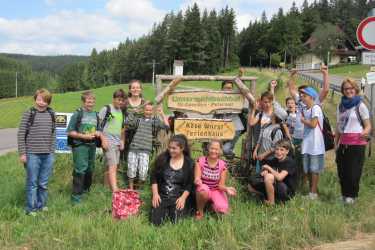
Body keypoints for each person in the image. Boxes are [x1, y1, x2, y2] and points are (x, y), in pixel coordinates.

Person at [17, 89, 56, 215]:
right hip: (32, 154)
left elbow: (53, 133)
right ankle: (31, 208)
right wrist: (22, 153)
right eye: (39, 99)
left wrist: (52, 152)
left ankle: (41, 205)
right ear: (35, 99)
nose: (41, 103)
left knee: (43, 183)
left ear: (48, 102)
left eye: (44, 100)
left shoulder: (51, 114)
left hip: (48, 155)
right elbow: (21, 134)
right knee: (32, 183)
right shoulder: (29, 113)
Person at [67, 91, 108, 204]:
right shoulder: (78, 114)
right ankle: (76, 198)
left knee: (90, 168)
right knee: (80, 169)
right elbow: (70, 132)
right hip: (80, 146)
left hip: (92, 146)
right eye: (88, 100)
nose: (91, 102)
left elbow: (99, 129)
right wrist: (83, 136)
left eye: (93, 100)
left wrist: (99, 133)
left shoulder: (96, 115)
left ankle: (86, 191)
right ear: (83, 101)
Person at [335, 78, 372, 204]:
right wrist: (336, 144)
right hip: (343, 143)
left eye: (351, 88)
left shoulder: (360, 105)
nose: (349, 91)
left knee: (353, 171)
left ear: (355, 89)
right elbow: (338, 126)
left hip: (357, 143)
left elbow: (368, 125)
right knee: (342, 171)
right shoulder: (341, 106)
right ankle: (344, 194)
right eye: (346, 89)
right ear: (343, 91)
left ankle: (352, 196)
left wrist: (364, 132)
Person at [150, 134, 194, 226]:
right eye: (169, 147)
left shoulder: (189, 163)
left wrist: (183, 198)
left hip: (178, 197)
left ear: (182, 148)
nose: (171, 150)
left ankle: (173, 211)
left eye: (174, 148)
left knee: (176, 222)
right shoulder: (162, 158)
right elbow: (154, 177)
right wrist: (155, 194)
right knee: (155, 222)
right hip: (162, 196)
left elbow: (190, 184)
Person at [125, 102, 170, 190]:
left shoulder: (155, 122)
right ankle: (131, 189)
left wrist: (162, 114)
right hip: (134, 148)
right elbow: (127, 122)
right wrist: (133, 112)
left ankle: (138, 189)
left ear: (153, 111)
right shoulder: (138, 120)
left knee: (143, 172)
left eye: (150, 110)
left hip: (146, 150)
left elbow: (167, 127)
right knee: (131, 170)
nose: (148, 112)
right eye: (146, 110)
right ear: (143, 110)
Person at [194, 140, 237, 219]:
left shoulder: (222, 165)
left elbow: (221, 186)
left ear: (220, 150)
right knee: (204, 189)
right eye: (212, 148)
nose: (214, 151)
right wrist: (197, 180)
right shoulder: (200, 161)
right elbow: (197, 177)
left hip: (216, 190)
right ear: (208, 149)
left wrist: (227, 189)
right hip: (203, 189)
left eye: (216, 149)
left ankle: (212, 206)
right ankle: (200, 212)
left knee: (223, 211)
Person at [248, 139, 297, 205]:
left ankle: (271, 202)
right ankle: (266, 195)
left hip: (286, 191)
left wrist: (269, 169)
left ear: (287, 151)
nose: (279, 152)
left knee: (269, 177)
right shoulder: (275, 160)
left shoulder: (289, 162)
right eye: (277, 149)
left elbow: (280, 177)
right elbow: (264, 167)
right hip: (276, 186)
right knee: (250, 186)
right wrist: (265, 170)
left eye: (282, 150)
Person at [299, 87, 325, 200]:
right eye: (301, 95)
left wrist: (304, 121)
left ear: (311, 97)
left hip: (315, 144)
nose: (301, 97)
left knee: (314, 169)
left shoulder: (316, 108)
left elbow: (314, 124)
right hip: (307, 143)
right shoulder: (306, 109)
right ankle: (311, 191)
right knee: (308, 169)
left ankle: (313, 193)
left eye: (304, 95)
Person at [99, 89, 126, 192]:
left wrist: (122, 141)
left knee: (109, 166)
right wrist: (103, 140)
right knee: (113, 165)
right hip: (108, 142)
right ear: (114, 99)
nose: (120, 102)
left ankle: (106, 188)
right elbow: (100, 126)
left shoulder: (120, 112)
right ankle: (115, 189)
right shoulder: (107, 109)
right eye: (118, 100)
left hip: (117, 143)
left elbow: (122, 128)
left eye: (122, 101)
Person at [214, 80, 245, 159]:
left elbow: (242, 89)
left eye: (230, 88)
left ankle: (231, 159)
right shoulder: (218, 99)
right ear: (222, 89)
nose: (228, 90)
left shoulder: (235, 98)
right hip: (222, 129)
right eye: (226, 88)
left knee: (225, 149)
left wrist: (241, 78)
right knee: (214, 147)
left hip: (235, 128)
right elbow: (215, 115)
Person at [122, 80, 147, 161]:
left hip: (141, 136)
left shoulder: (145, 103)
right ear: (130, 90)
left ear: (140, 89)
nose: (135, 89)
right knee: (126, 158)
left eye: (137, 87)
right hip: (126, 135)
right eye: (133, 88)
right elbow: (120, 118)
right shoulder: (125, 103)